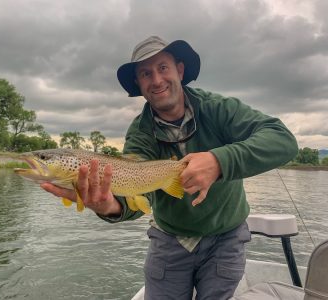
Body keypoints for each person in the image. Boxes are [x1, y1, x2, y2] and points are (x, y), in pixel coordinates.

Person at [41, 36, 298, 300]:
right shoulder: (140, 133)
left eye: (163, 67)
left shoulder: (219, 109)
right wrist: (109, 205)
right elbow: (137, 190)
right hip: (170, 239)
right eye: (145, 73)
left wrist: (219, 161)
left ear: (180, 70)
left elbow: (283, 140)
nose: (156, 80)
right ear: (139, 84)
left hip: (226, 237)